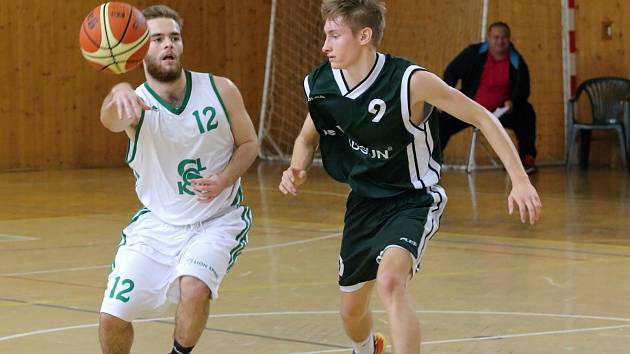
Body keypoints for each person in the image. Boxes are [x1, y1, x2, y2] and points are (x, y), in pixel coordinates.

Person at [279, 1, 541, 353]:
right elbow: (306, 137)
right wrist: (296, 168)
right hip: (363, 202)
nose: (325, 45)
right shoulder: (323, 84)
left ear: (364, 36)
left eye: (334, 35)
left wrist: (520, 180)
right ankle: (368, 348)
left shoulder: (409, 82)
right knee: (350, 313)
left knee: (390, 284)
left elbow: (481, 116)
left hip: (412, 198)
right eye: (325, 35)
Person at [97, 5, 257, 354]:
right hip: (159, 224)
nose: (168, 44)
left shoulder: (220, 89)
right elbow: (110, 118)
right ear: (140, 49)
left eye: (174, 37)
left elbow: (249, 143)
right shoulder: (134, 105)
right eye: (157, 39)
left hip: (217, 219)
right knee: (111, 318)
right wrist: (120, 89)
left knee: (195, 286)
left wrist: (225, 177)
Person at [439, 22, 538, 174]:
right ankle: (433, 159)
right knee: (442, 118)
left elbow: (524, 88)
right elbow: (452, 71)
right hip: (470, 109)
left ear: (509, 39)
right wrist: (445, 97)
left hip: (499, 114)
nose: (500, 41)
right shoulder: (473, 53)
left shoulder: (517, 61)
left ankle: (526, 159)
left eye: (504, 37)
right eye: (496, 37)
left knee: (526, 112)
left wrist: (513, 100)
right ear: (489, 38)